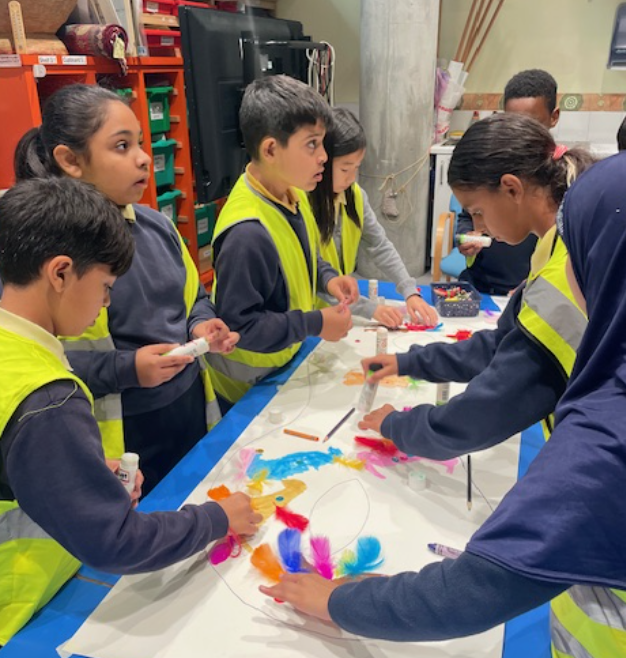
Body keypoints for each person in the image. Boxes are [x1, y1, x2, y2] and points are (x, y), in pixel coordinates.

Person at [259, 143, 626, 658]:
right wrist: (410, 362)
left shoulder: (606, 434)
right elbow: (504, 343)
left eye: (578, 255)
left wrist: (341, 601)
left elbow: (475, 588)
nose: (567, 272)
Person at [0, 178, 262, 645]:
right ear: (60, 273)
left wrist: (72, 470)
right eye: (105, 287)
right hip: (21, 608)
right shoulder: (48, 398)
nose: (105, 302)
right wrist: (217, 518)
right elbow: (116, 542)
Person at [14, 84, 239, 495]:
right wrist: (127, 368)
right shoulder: (47, 256)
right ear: (70, 160)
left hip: (187, 411)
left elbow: (194, 298)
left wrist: (201, 326)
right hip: (121, 437)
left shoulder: (158, 226)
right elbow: (31, 365)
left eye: (140, 142)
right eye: (122, 146)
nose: (143, 158)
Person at [358, 112, 594, 462]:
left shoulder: (563, 272)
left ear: (511, 188)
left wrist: (396, 424)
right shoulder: (561, 241)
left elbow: (483, 413)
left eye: (478, 211)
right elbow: (503, 345)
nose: (478, 226)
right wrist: (407, 361)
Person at [207, 76, 359, 410]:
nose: (324, 156)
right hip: (247, 388)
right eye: (312, 144)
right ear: (271, 150)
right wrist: (316, 323)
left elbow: (302, 256)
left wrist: (328, 277)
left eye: (323, 143)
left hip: (285, 362)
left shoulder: (293, 193)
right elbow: (241, 325)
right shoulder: (247, 233)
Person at [306, 107, 438, 328]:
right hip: (309, 315)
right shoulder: (302, 202)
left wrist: (409, 291)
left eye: (356, 168)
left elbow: (379, 245)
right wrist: (371, 309)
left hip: (339, 308)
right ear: (322, 162)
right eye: (345, 169)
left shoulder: (355, 196)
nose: (351, 178)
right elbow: (312, 272)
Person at [456, 68, 560, 295]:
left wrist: (531, 287)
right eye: (512, 121)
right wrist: (468, 234)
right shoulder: (492, 163)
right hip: (484, 283)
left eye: (531, 123)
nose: (520, 132)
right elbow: (467, 215)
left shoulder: (558, 186)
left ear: (512, 189)